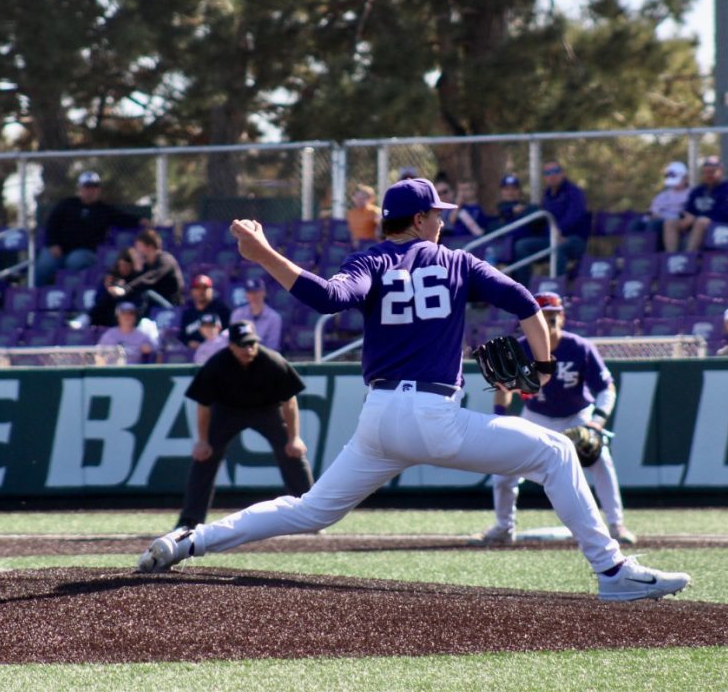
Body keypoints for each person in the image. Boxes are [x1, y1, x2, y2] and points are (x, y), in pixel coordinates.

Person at [137, 177, 690, 602]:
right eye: (438, 216)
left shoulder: (371, 259)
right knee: (556, 451)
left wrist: (265, 257)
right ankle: (613, 570)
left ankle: (191, 539)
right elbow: (528, 306)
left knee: (311, 511)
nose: (443, 224)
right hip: (433, 416)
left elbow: (328, 298)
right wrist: (543, 369)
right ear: (421, 218)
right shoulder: (456, 260)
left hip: (378, 418)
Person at [477, 292, 637, 548]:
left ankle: (616, 524)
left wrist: (597, 422)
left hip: (577, 415)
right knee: (503, 468)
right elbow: (503, 387)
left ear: (562, 316)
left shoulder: (579, 347)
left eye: (553, 316)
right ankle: (504, 527)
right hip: (536, 416)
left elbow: (607, 388)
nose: (549, 322)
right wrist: (500, 419)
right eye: (543, 317)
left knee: (601, 460)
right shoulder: (520, 347)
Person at [172, 320, 314, 530]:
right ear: (231, 345)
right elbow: (204, 405)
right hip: (227, 411)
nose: (248, 349)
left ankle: (311, 514)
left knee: (292, 452)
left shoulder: (272, 361)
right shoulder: (217, 364)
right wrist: (202, 441)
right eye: (242, 345)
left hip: (267, 410)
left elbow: (289, 401)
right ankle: (190, 520)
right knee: (204, 456)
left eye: (252, 344)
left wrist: (294, 437)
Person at [34, 171, 145, 286]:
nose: (91, 190)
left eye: (94, 186)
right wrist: (53, 244)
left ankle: (69, 295)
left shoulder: (104, 210)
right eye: (87, 186)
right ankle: (36, 294)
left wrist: (140, 221)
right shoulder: (67, 204)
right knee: (45, 262)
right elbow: (51, 225)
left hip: (86, 252)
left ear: (98, 189)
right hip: (59, 249)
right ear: (80, 188)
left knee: (74, 261)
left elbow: (123, 218)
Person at [513, 162, 592, 282]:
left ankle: (557, 289)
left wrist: (559, 231)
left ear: (562, 173)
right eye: (548, 173)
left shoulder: (574, 192)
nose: (552, 175)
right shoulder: (547, 195)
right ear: (544, 177)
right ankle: (524, 290)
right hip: (550, 239)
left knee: (557, 249)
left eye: (555, 171)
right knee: (522, 246)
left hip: (572, 239)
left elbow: (574, 216)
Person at [664, 156, 728, 253]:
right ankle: (671, 257)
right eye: (706, 172)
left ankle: (689, 256)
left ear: (721, 171)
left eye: (712, 172)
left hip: (723, 225)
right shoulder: (698, 190)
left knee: (701, 221)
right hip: (699, 222)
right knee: (670, 222)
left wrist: (698, 217)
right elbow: (689, 209)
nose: (708, 175)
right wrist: (687, 217)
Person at [112, 228, 185, 311]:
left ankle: (136, 323)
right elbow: (137, 283)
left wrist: (125, 289)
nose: (137, 250)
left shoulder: (166, 260)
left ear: (149, 247)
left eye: (139, 246)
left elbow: (149, 279)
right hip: (154, 306)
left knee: (145, 294)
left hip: (171, 307)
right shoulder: (146, 264)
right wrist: (137, 270)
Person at [634, 161, 690, 248]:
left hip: (673, 223)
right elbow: (652, 211)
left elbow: (685, 214)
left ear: (685, 178)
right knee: (636, 224)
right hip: (657, 219)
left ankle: (651, 256)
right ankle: (633, 256)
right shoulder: (663, 195)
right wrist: (651, 215)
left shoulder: (691, 194)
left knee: (653, 225)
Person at [87, 247, 144, 327]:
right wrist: (108, 290)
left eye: (126, 266)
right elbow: (98, 300)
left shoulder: (136, 280)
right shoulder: (110, 277)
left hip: (127, 315)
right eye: (121, 265)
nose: (123, 268)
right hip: (107, 315)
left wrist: (122, 292)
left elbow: (137, 303)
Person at [229, 277, 283, 351]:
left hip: (264, 357)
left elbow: (272, 346)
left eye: (257, 292)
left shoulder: (274, 318)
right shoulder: (237, 314)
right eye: (250, 292)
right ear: (246, 295)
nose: (253, 296)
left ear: (264, 293)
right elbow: (232, 340)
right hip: (240, 355)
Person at [179, 274, 231, 349]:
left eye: (205, 288)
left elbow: (229, 332)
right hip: (193, 354)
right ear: (192, 291)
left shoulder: (221, 310)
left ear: (211, 290)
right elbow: (182, 336)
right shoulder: (188, 313)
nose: (201, 291)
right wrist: (189, 343)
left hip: (217, 351)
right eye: (197, 288)